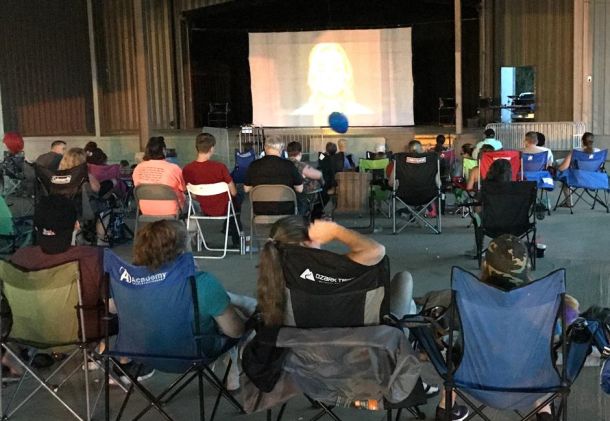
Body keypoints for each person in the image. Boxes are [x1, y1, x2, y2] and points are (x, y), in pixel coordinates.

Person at [9, 195, 104, 373]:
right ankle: (100, 356)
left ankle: (16, 355)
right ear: (76, 225)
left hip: (29, 335)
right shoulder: (93, 257)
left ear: (35, 227)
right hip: (80, 334)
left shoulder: (19, 258)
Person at [182, 133, 242, 246]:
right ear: (212, 148)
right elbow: (233, 192)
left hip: (203, 208)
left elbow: (191, 193)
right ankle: (236, 238)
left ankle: (229, 228)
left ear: (196, 148)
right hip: (223, 209)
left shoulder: (187, 169)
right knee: (238, 195)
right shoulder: (220, 167)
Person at [244, 136, 303, 215]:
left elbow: (246, 189)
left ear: (265, 148)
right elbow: (300, 189)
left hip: (260, 211)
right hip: (285, 211)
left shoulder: (253, 165)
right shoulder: (289, 165)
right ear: (281, 149)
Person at [132, 136, 185, 217]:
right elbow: (183, 189)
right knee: (195, 205)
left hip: (146, 211)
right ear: (164, 150)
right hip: (172, 211)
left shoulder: (138, 168)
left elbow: (138, 187)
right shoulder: (173, 168)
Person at [286, 141, 324, 217]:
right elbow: (319, 175)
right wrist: (322, 183)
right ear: (300, 153)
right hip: (302, 197)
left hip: (286, 195)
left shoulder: (283, 163)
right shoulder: (301, 165)